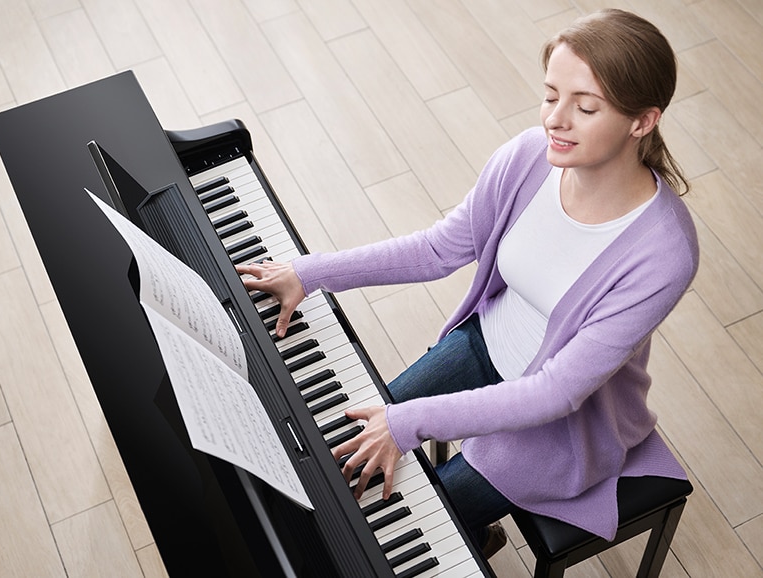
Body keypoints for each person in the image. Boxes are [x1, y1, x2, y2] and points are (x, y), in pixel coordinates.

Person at [237, 8, 699, 558]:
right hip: (485, 343)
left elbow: (556, 392)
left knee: (392, 525)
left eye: (586, 106)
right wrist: (308, 273)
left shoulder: (663, 252)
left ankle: (472, 537)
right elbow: (438, 249)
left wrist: (408, 423)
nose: (556, 119)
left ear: (642, 121)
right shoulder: (529, 156)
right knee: (339, 456)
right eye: (551, 96)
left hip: (559, 426)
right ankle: (473, 530)